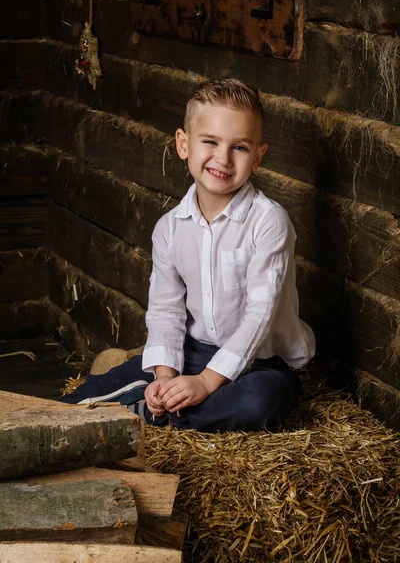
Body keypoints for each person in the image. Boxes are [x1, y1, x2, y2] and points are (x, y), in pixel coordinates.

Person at [61, 78, 315, 432]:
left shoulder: (269, 221)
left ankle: (140, 416)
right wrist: (165, 377)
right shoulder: (170, 227)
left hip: (261, 360)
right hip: (193, 350)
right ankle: (65, 412)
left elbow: (259, 317)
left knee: (260, 402)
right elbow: (166, 310)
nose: (223, 159)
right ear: (184, 144)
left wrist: (206, 383)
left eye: (240, 147)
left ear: (258, 157)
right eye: (210, 141)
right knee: (104, 383)